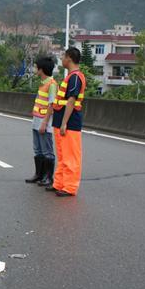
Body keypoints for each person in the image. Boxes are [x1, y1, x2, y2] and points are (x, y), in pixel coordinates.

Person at [46, 47, 86, 197]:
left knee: (71, 157)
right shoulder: (70, 76)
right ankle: (59, 184)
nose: (62, 59)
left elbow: (71, 100)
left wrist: (64, 123)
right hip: (60, 120)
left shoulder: (75, 77)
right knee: (63, 156)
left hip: (69, 122)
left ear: (69, 58)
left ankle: (69, 187)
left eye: (63, 56)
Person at [25, 57, 57, 187]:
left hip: (44, 123)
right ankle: (39, 175)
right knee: (38, 150)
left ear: (41, 69)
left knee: (47, 151)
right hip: (36, 121)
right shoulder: (43, 83)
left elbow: (51, 105)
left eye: (36, 67)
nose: (34, 69)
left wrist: (44, 123)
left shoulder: (52, 84)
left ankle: (48, 177)